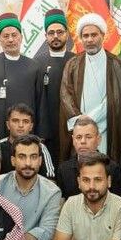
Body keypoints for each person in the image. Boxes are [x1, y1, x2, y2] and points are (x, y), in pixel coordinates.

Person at [59, 13, 121, 162]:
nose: (89, 39)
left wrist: (90, 120)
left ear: (103, 36)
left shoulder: (116, 63)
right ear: (81, 38)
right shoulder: (72, 64)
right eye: (85, 36)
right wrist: (81, 121)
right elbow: (66, 95)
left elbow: (118, 98)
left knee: (105, 166)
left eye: (94, 35)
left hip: (107, 126)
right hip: (80, 128)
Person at [0, 134, 61, 240]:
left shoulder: (52, 192)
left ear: (40, 161)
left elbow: (47, 231)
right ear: (13, 160)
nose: (28, 163)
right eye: (22, 157)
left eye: (33, 157)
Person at [0, 13, 41, 138]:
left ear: (21, 37)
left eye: (14, 35)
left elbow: (40, 104)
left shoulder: (34, 67)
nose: (10, 40)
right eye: (6, 36)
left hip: (25, 134)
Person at [33, 8, 74, 162]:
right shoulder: (36, 63)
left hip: (71, 128)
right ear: (45, 36)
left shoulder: (76, 61)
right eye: (51, 33)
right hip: (46, 130)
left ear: (67, 34)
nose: (55, 36)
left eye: (60, 32)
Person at [55, 116, 121, 199]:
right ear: (73, 140)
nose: (83, 141)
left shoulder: (112, 168)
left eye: (88, 137)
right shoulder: (64, 170)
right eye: (78, 137)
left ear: (98, 139)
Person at [0, 103, 54, 178]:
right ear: (8, 125)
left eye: (25, 121)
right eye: (15, 121)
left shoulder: (40, 147)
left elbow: (50, 179)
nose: (20, 125)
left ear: (31, 126)